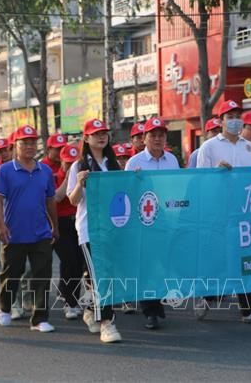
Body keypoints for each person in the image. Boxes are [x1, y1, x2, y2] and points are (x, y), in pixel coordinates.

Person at [195, 100, 251, 324]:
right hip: (219, 214)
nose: (235, 120)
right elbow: (200, 183)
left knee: (247, 260)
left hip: (246, 213)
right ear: (220, 120)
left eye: (238, 115)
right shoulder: (209, 147)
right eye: (229, 116)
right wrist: (216, 173)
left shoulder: (250, 147)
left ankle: (248, 310)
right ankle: (207, 296)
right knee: (218, 259)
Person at [0, 124, 59, 333]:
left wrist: (54, 226)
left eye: (32, 142)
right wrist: (0, 226)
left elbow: (50, 201)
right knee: (11, 274)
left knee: (42, 275)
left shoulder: (45, 171)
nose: (29, 146)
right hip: (14, 233)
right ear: (15, 146)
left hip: (40, 232)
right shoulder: (5, 170)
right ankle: (5, 307)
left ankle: (39, 318)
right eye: (24, 143)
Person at [67, 119, 123, 343]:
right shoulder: (78, 165)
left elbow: (122, 192)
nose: (101, 137)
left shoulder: (113, 164)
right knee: (99, 276)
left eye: (104, 133)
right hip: (89, 230)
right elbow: (72, 200)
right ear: (86, 138)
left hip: (112, 228)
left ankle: (91, 309)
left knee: (108, 274)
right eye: (96, 133)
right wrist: (80, 184)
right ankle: (107, 323)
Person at [125, 117, 180, 330]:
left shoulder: (172, 160)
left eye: (161, 135)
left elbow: (176, 189)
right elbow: (127, 193)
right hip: (144, 219)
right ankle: (150, 310)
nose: (158, 139)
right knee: (147, 265)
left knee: (163, 263)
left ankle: (157, 302)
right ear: (144, 138)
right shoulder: (135, 162)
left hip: (166, 219)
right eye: (153, 135)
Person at [53, 144, 85, 320]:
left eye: (74, 163)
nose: (70, 166)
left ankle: (72, 297)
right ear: (61, 162)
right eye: (67, 163)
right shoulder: (54, 177)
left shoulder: (83, 176)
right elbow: (57, 197)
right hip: (61, 224)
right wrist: (68, 179)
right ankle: (69, 302)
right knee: (69, 260)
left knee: (79, 262)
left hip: (78, 222)